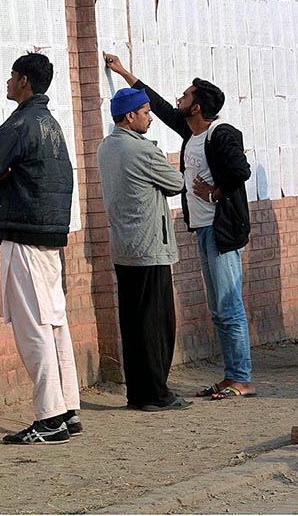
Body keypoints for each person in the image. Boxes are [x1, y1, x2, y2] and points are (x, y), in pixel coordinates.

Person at [103, 52, 256, 400]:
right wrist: (125, 72)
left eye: (185, 96)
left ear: (198, 107)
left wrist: (215, 193)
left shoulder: (221, 133)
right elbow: (154, 105)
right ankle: (232, 375)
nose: (179, 100)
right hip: (203, 229)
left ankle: (241, 378)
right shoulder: (192, 132)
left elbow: (239, 170)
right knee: (218, 307)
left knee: (229, 306)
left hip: (223, 230)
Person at [0, 53, 82, 443]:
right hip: (51, 237)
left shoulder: (20, 123)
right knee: (54, 325)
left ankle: (50, 419)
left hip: (25, 234)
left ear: (23, 81)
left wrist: (2, 175)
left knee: (33, 327)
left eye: (11, 75)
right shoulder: (51, 123)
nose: (8, 82)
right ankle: (67, 409)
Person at [97, 87, 191, 411]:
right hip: (150, 247)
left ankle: (137, 393)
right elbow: (177, 183)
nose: (150, 118)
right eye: (146, 112)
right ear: (129, 116)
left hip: (124, 247)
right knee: (157, 324)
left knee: (133, 324)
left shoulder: (106, 147)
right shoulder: (142, 151)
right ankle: (157, 394)